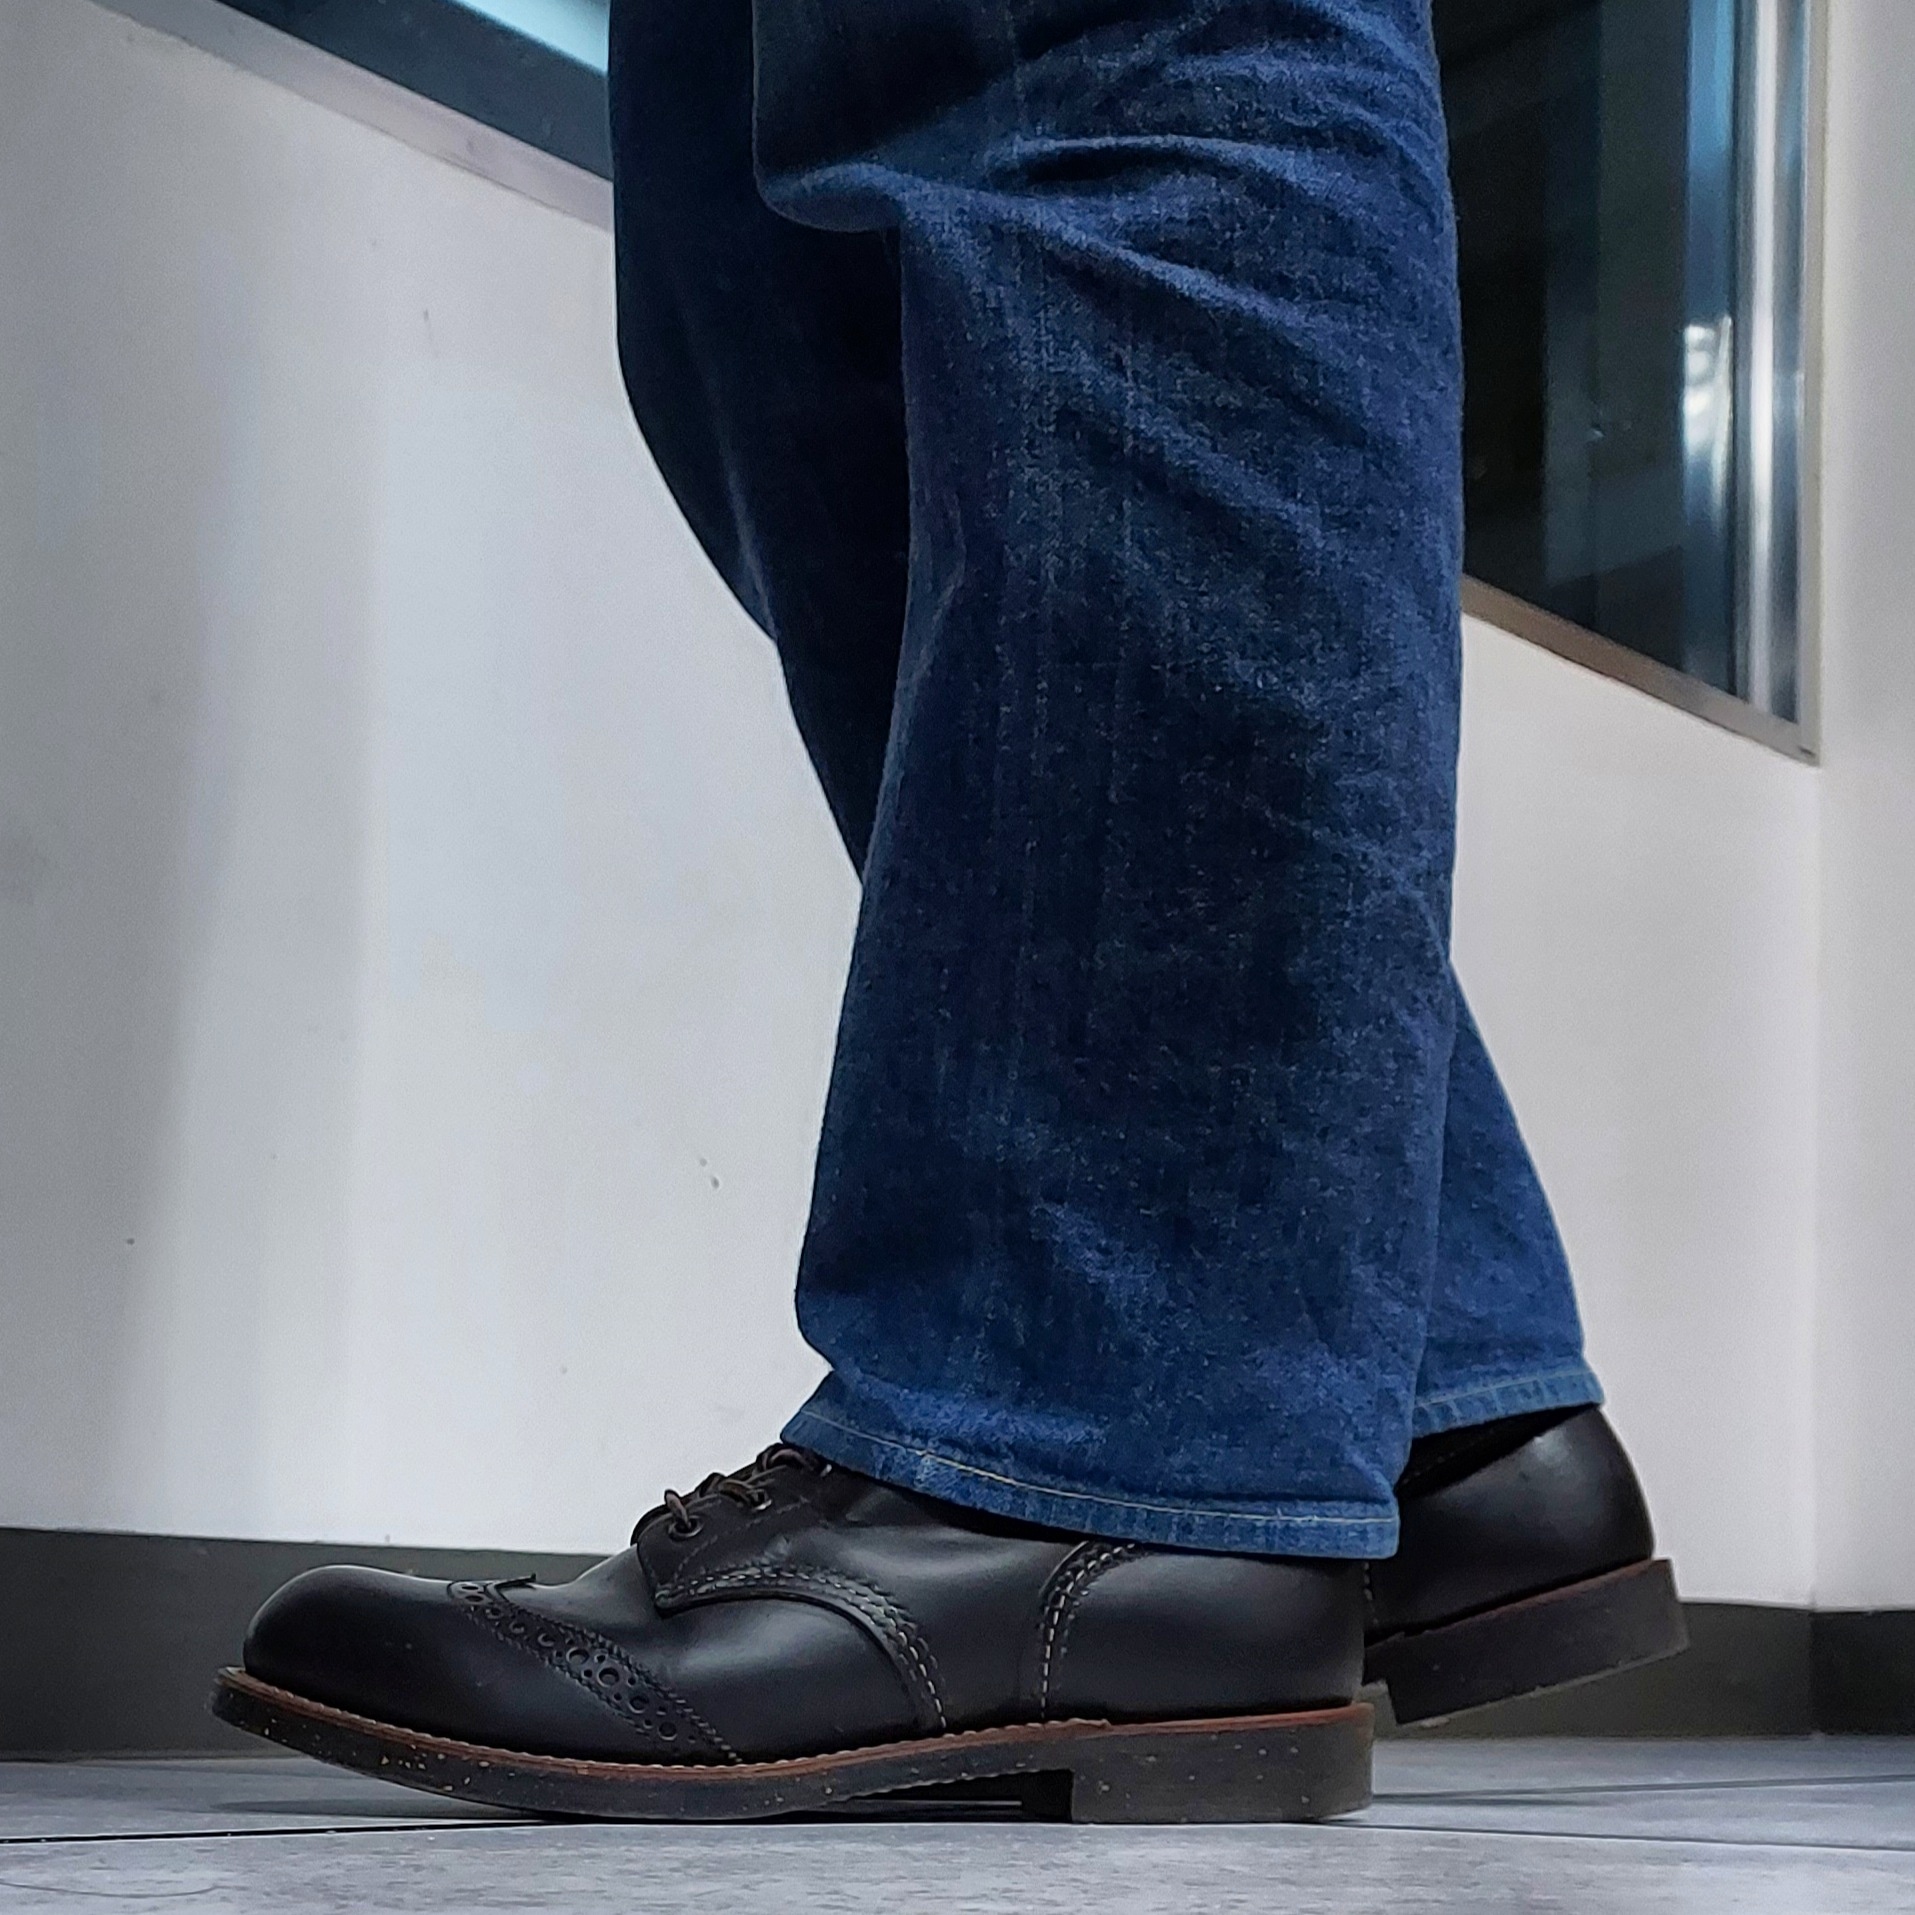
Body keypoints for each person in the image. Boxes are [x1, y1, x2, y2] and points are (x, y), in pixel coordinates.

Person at [211, 0, 1684, 1822]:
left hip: (1112, 1442)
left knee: (1092, 66)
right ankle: (1422, 1397)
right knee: (766, 277)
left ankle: (1111, 1455)